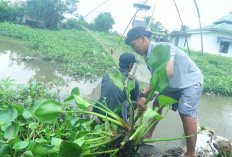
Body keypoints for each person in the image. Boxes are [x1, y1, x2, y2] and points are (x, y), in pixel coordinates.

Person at [125, 27, 204, 157]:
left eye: (134, 45)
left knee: (186, 113)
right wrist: (150, 95)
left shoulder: (165, 48)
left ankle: (191, 153)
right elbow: (157, 79)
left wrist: (144, 93)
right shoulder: (147, 56)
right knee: (157, 103)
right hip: (173, 85)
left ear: (143, 38)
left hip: (190, 82)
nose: (134, 49)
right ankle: (149, 135)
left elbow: (168, 73)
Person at [93, 53, 139, 122]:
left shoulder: (107, 74)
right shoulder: (133, 81)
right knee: (136, 102)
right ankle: (125, 123)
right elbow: (135, 100)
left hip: (99, 111)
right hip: (114, 117)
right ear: (130, 65)